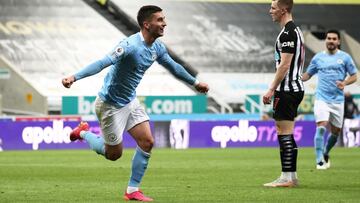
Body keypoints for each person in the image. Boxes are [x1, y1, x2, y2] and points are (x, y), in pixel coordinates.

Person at [62, 5, 209, 202]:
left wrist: (195, 82)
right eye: (159, 20)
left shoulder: (157, 47)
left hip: (130, 101)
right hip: (110, 105)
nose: (164, 23)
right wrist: (74, 76)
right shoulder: (129, 46)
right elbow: (102, 62)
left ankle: (132, 191)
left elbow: (174, 67)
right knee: (113, 155)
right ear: (147, 24)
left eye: (164, 19)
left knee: (147, 141)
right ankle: (82, 132)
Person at [262, 0, 305, 187]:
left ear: (283, 9)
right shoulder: (294, 31)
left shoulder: (288, 33)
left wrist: (271, 88)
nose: (270, 11)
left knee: (283, 132)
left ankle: (286, 177)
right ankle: (292, 176)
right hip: (294, 88)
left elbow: (285, 65)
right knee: (287, 132)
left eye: (273, 8)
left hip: (286, 90)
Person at [303, 30, 357, 169]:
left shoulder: (345, 58)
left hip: (338, 101)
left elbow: (354, 76)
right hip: (321, 98)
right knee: (321, 126)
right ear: (325, 40)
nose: (331, 41)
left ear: (338, 41)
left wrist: (344, 83)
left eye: (334, 39)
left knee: (335, 132)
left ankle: (326, 152)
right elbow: (308, 75)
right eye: (329, 38)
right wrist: (296, 77)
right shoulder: (318, 58)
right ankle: (319, 159)